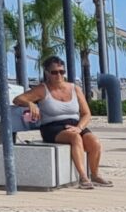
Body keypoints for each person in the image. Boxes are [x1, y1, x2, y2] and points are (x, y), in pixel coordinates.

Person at [11, 57, 109, 188]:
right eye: (54, 72)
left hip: (74, 125)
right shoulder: (42, 89)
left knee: (94, 141)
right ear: (47, 73)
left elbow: (86, 114)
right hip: (52, 127)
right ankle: (83, 177)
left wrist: (80, 127)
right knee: (75, 138)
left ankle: (95, 174)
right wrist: (30, 103)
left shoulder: (75, 89)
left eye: (61, 72)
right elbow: (17, 99)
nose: (58, 75)